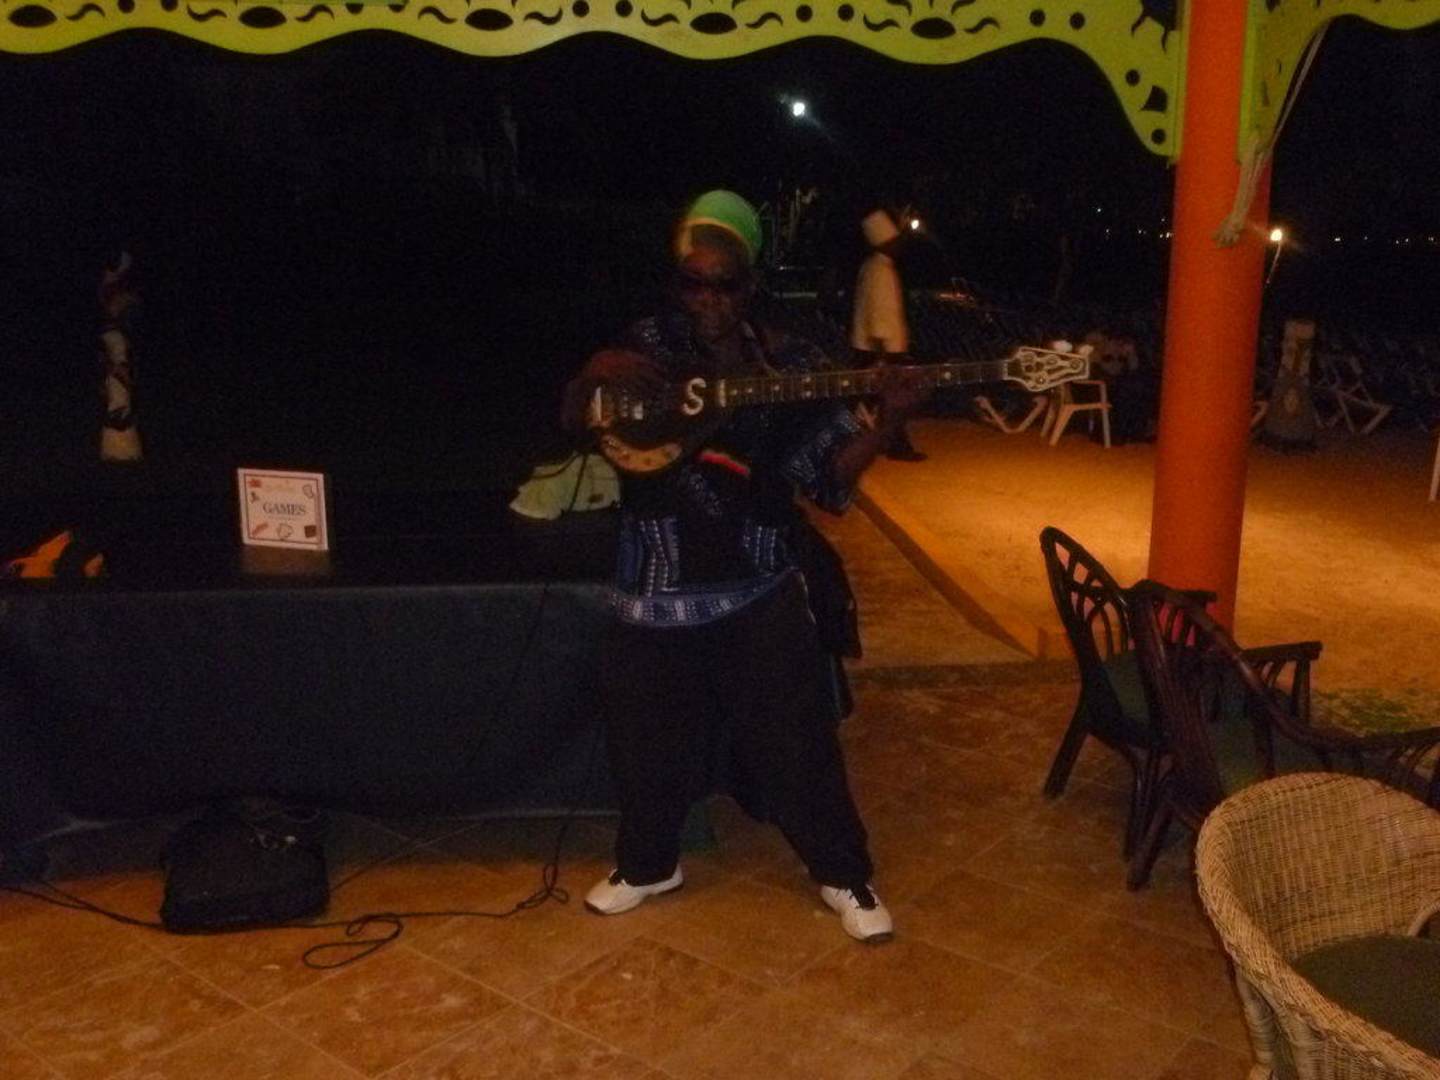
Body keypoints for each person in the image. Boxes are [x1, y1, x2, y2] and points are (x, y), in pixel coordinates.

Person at [559, 190, 923, 943]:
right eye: (692, 283)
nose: (707, 300)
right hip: (653, 584)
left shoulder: (790, 363)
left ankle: (842, 873)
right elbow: (575, 414)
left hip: (755, 581)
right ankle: (649, 864)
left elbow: (828, 478)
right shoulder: (647, 343)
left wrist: (888, 419)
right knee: (644, 741)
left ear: (748, 284)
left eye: (722, 285)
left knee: (798, 739)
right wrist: (599, 371)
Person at [850, 206, 926, 462]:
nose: (899, 245)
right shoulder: (880, 270)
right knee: (894, 399)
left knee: (880, 400)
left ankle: (893, 443)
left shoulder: (873, 266)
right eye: (894, 241)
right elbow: (878, 312)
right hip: (881, 348)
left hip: (874, 347)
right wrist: (881, 354)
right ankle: (896, 445)